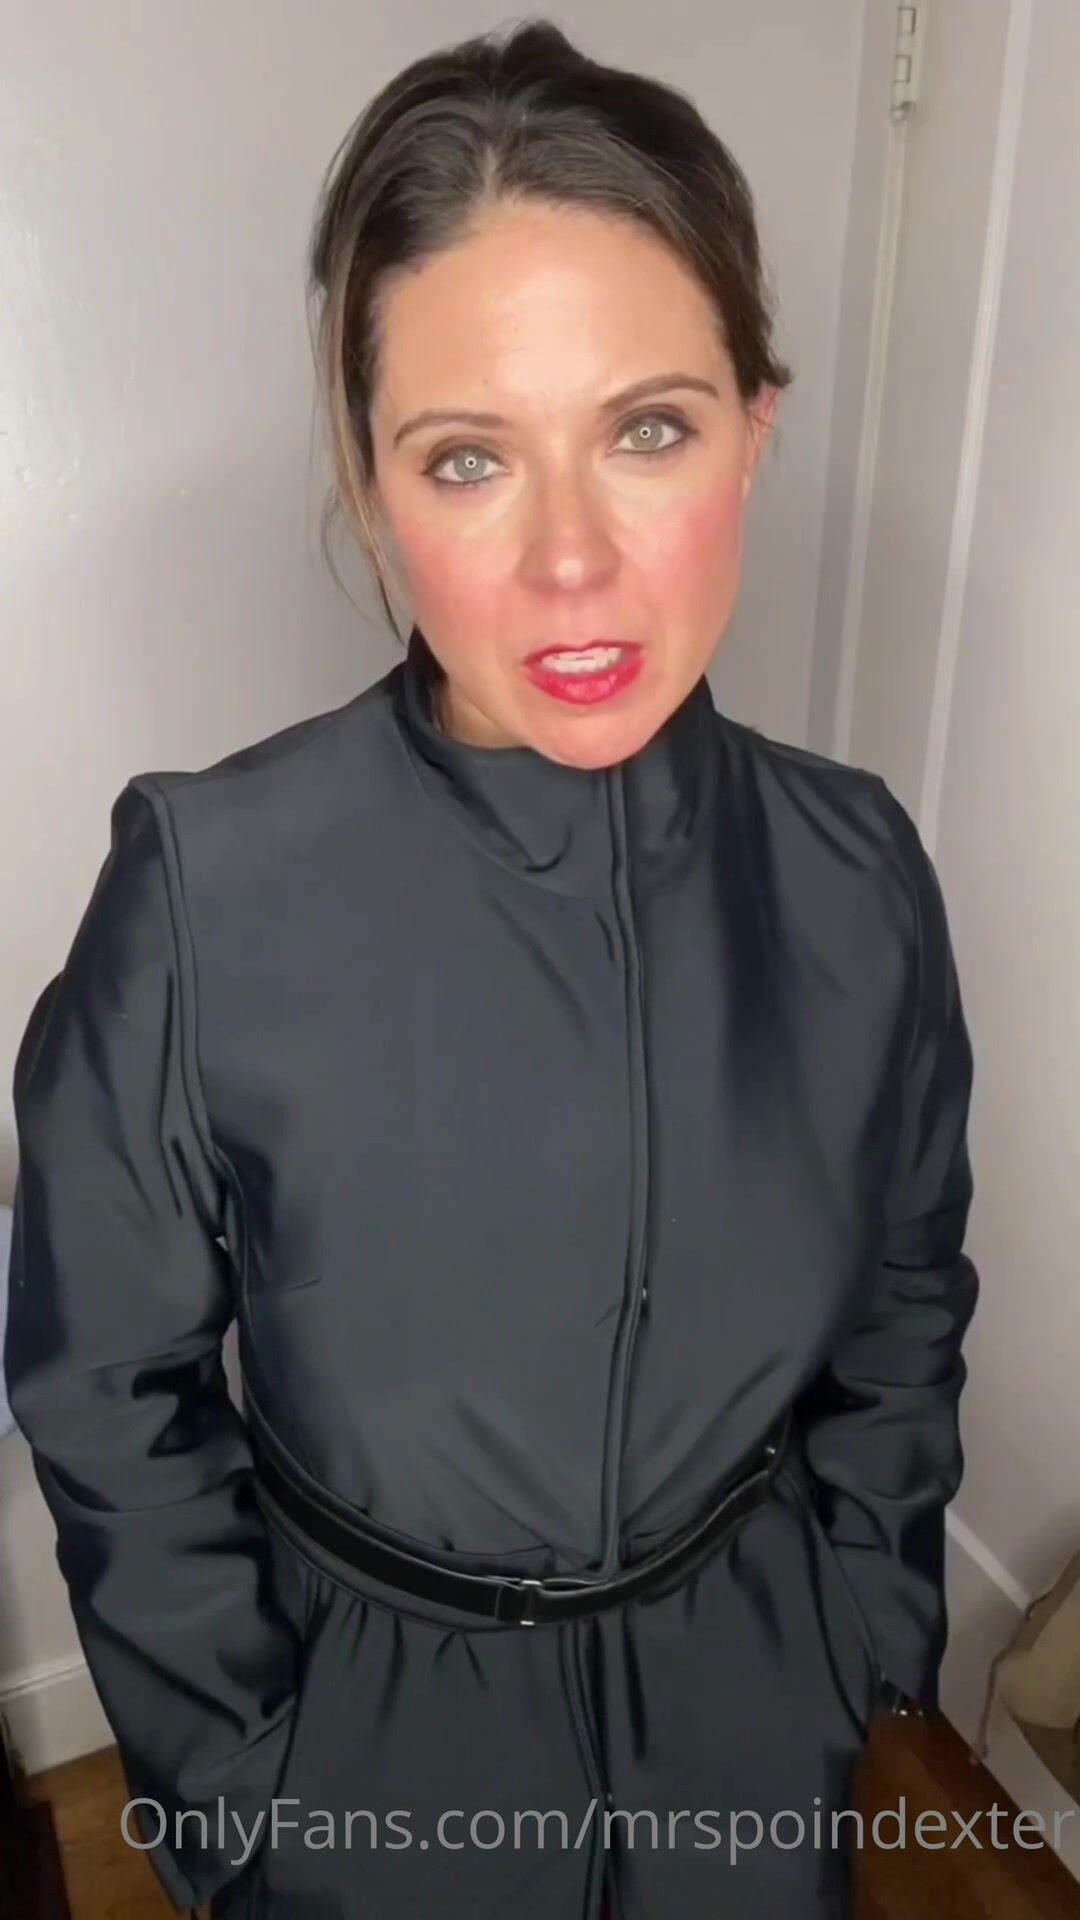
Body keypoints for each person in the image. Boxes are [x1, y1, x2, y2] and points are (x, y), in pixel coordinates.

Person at [3, 19, 980, 1919]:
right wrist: (242, 1797)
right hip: (369, 1758)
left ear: (756, 428)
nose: (571, 562)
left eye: (649, 429)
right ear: (372, 488)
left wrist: (862, 1626)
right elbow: (107, 1388)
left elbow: (904, 1290)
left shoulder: (858, 874)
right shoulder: (205, 891)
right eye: (467, 459)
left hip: (748, 1724)